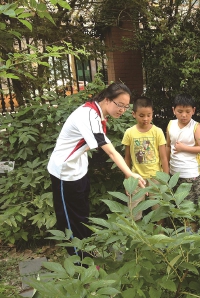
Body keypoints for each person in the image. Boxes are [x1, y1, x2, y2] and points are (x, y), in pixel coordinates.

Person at [47, 83, 145, 257]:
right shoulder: (89, 115)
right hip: (64, 173)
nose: (122, 110)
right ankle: (78, 262)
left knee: (82, 213)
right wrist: (129, 173)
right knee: (70, 220)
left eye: (125, 106)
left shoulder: (97, 113)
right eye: (119, 104)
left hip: (79, 170)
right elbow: (111, 152)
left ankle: (87, 250)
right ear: (107, 100)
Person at [122, 96, 169, 220]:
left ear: (153, 113)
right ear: (134, 114)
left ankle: (160, 235)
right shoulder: (129, 133)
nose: (146, 118)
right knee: (134, 209)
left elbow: (164, 157)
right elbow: (127, 158)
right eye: (141, 115)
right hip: (136, 178)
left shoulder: (158, 132)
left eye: (149, 115)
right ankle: (136, 234)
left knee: (159, 209)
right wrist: (127, 180)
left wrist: (166, 179)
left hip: (156, 178)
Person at [166, 94, 200, 204]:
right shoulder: (171, 124)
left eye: (188, 112)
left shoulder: (196, 127)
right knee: (176, 205)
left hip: (190, 173)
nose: (184, 115)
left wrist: (184, 148)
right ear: (173, 110)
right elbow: (167, 146)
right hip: (173, 173)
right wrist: (165, 165)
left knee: (190, 208)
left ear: (193, 110)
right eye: (180, 111)